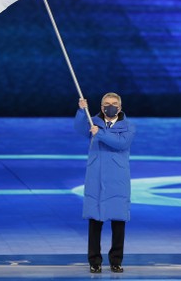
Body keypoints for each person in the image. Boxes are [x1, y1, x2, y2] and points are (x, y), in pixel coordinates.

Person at [74, 92, 135, 274]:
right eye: (107, 103)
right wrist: (80, 110)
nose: (110, 106)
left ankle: (116, 260)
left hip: (118, 179)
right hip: (96, 178)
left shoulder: (128, 127)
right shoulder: (93, 122)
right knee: (95, 221)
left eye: (114, 103)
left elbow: (121, 144)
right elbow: (79, 129)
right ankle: (94, 261)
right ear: (101, 107)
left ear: (120, 106)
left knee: (118, 222)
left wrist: (99, 134)